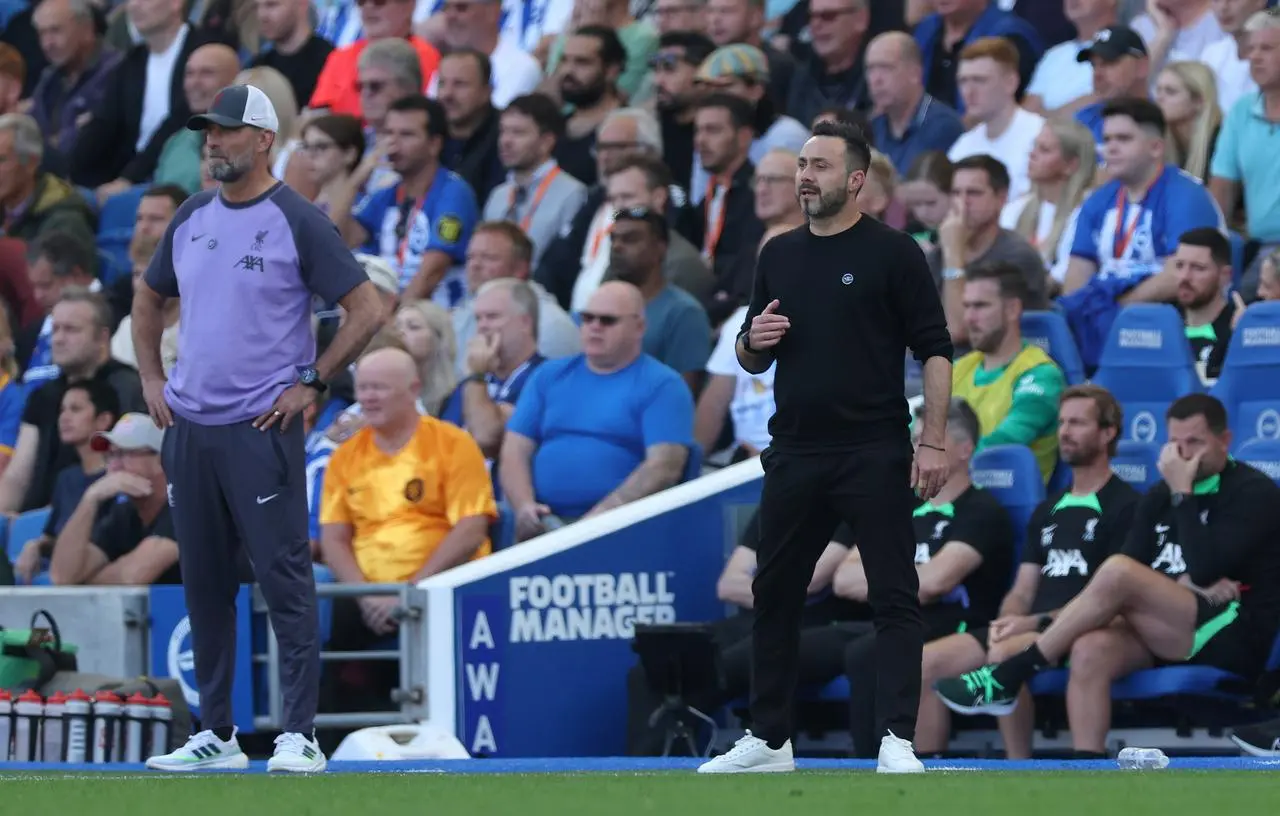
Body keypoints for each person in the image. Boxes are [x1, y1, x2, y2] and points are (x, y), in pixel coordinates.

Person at [134, 85, 384, 774]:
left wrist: (314, 380)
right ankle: (215, 733)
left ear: (264, 140)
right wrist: (151, 380)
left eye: (226, 131)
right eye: (207, 132)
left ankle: (299, 734)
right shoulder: (189, 215)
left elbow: (366, 308)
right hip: (191, 426)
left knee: (283, 579)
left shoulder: (297, 220)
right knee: (205, 581)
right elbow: (148, 294)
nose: (211, 142)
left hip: (259, 426)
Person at [696, 120, 953, 775]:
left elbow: (935, 351)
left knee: (894, 594)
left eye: (819, 166)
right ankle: (770, 739)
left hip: (875, 447)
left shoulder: (895, 253)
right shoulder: (777, 253)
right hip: (796, 450)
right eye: (802, 165)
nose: (805, 177)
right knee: (774, 594)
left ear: (857, 179)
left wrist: (933, 441)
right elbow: (749, 357)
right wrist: (754, 339)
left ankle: (898, 738)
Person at [933, 395, 1280, 753]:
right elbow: (1120, 583)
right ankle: (1090, 775)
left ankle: (1012, 673)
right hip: (1161, 627)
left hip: (1227, 634)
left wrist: (1183, 494)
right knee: (1089, 649)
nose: (1183, 454)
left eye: (1195, 442)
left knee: (1117, 571)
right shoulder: (1159, 496)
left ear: (1224, 441)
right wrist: (1176, 582)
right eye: (1175, 443)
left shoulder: (1252, 491)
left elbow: (1202, 568)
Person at [915, 385, 1140, 759]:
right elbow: (1023, 587)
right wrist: (1010, 617)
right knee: (922, 661)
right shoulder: (1047, 509)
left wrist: (1032, 622)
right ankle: (977, 769)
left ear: (1107, 433)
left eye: (1078, 423)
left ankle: (1046, 764)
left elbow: (1113, 600)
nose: (1065, 431)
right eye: (1063, 422)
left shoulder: (1128, 505)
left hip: (1092, 626)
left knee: (1010, 653)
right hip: (1032, 625)